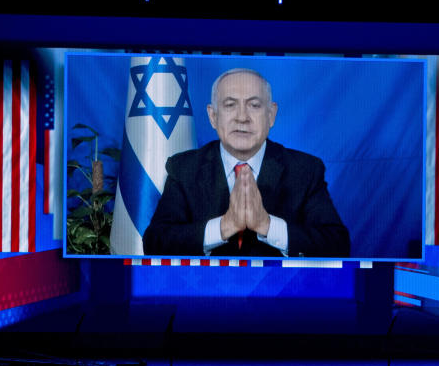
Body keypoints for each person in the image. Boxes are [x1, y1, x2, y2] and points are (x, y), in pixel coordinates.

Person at [143, 68, 350, 257]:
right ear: (213, 116)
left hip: (281, 292)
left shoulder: (305, 170)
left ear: (271, 115)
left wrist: (267, 225)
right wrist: (225, 226)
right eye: (230, 105)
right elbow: (155, 243)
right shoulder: (184, 168)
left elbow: (338, 245)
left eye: (254, 105)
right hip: (203, 290)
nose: (242, 117)